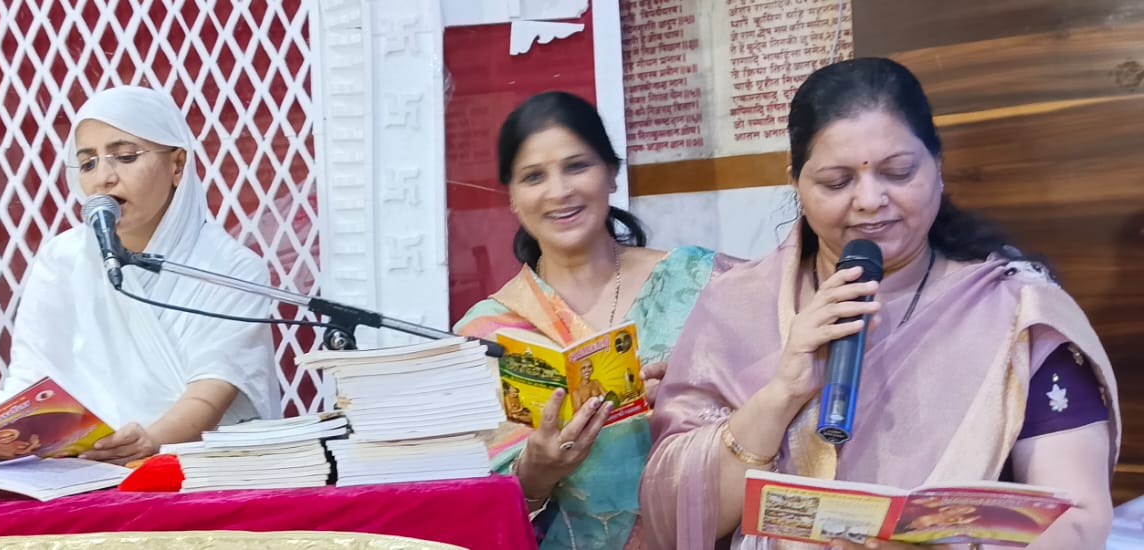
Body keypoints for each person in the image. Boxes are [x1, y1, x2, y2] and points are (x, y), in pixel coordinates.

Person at [640, 58, 1119, 550]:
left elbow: (1079, 518)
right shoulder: (733, 304)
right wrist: (780, 395)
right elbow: (672, 516)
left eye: (898, 172)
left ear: (937, 166)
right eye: (837, 181)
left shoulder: (1014, 313)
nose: (870, 199)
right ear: (797, 183)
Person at [453, 91, 737, 549]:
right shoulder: (486, 333)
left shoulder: (700, 280)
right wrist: (537, 471)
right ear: (513, 196)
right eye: (534, 176)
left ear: (611, 172)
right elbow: (472, 505)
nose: (559, 191)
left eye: (577, 166)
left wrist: (692, 401)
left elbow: (774, 405)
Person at [0, 86, 278, 465]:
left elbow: (212, 387)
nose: (103, 178)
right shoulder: (62, 258)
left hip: (195, 469)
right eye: (88, 164)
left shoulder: (232, 268)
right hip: (77, 469)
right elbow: (30, 379)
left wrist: (151, 442)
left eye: (125, 157)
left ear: (177, 166)